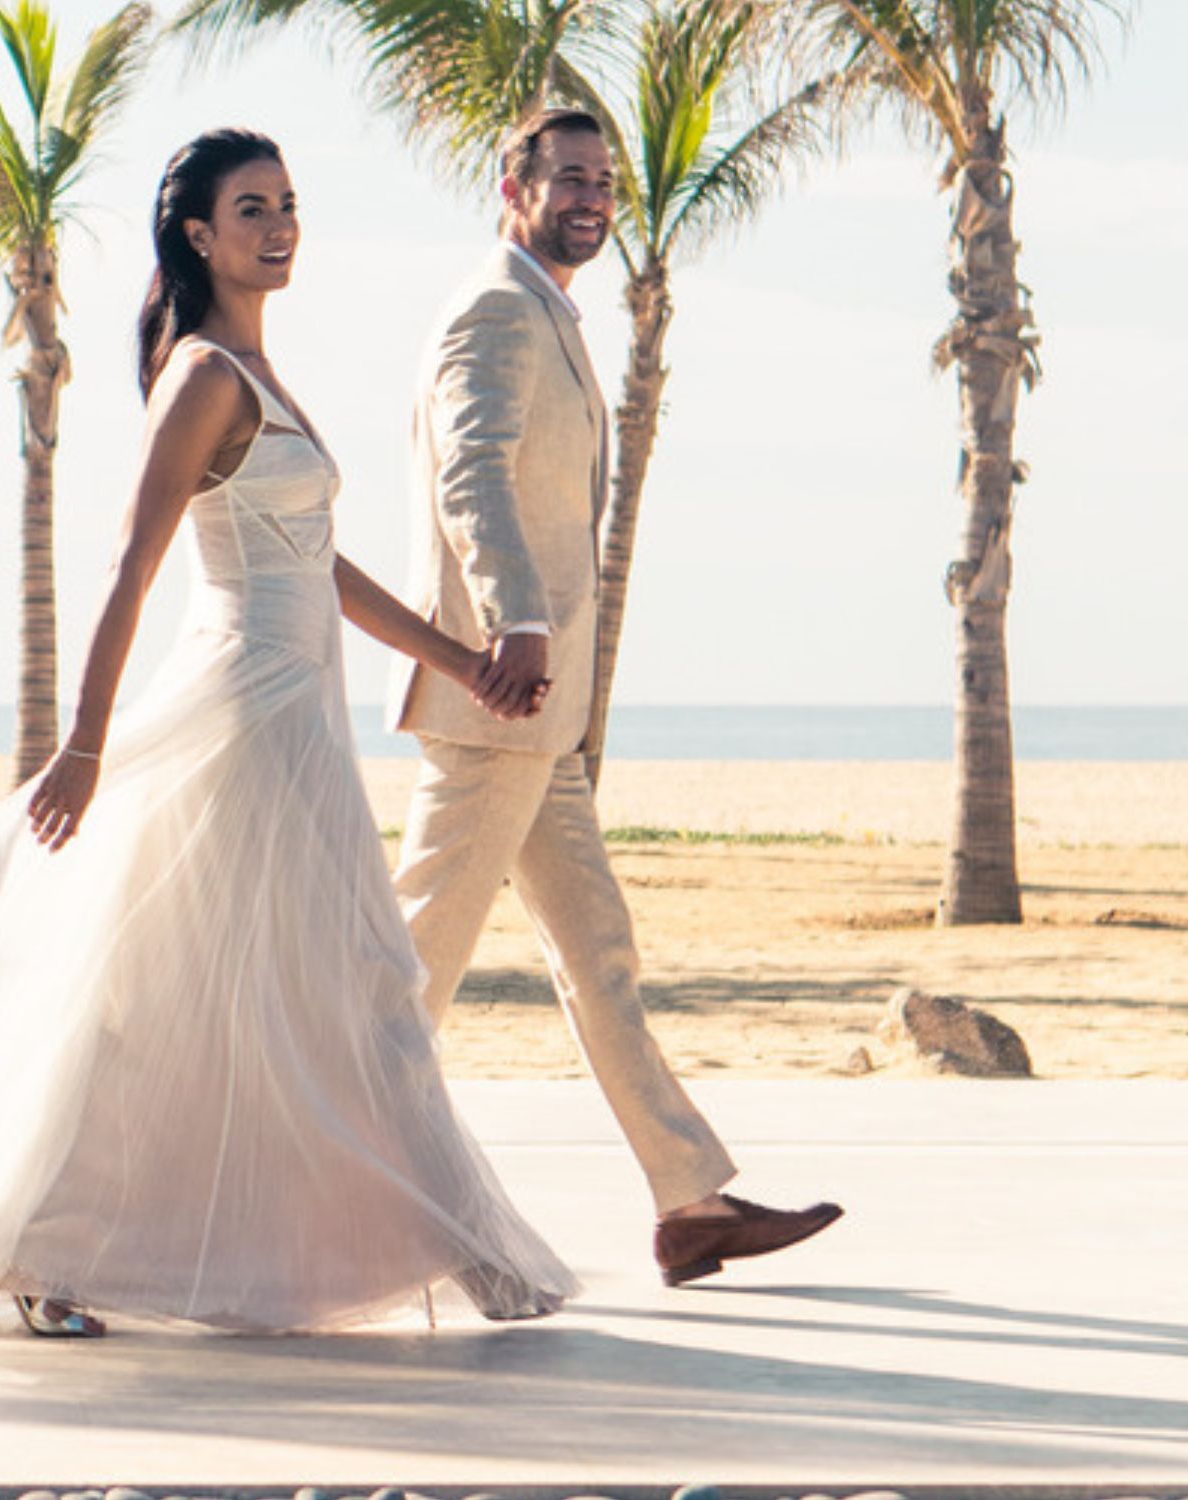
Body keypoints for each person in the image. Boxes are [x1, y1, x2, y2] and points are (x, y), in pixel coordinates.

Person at [0, 129, 575, 1338]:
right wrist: (85, 744)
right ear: (199, 235)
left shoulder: (262, 374)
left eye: (290, 203)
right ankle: (59, 1250)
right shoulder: (202, 378)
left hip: (301, 714)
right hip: (242, 718)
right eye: (253, 208)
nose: (280, 225)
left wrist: (454, 660)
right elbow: (130, 569)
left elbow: (319, 561)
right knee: (336, 984)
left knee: (322, 991)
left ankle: (453, 1251)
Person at [387, 107, 840, 1287]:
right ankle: (289, 1169)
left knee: (600, 955)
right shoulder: (495, 307)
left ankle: (691, 1203)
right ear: (513, 182)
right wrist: (517, 622)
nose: (592, 197)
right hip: (502, 699)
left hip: (543, 713)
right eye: (570, 178)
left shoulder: (544, 308)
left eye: (604, 182)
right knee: (404, 977)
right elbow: (471, 469)